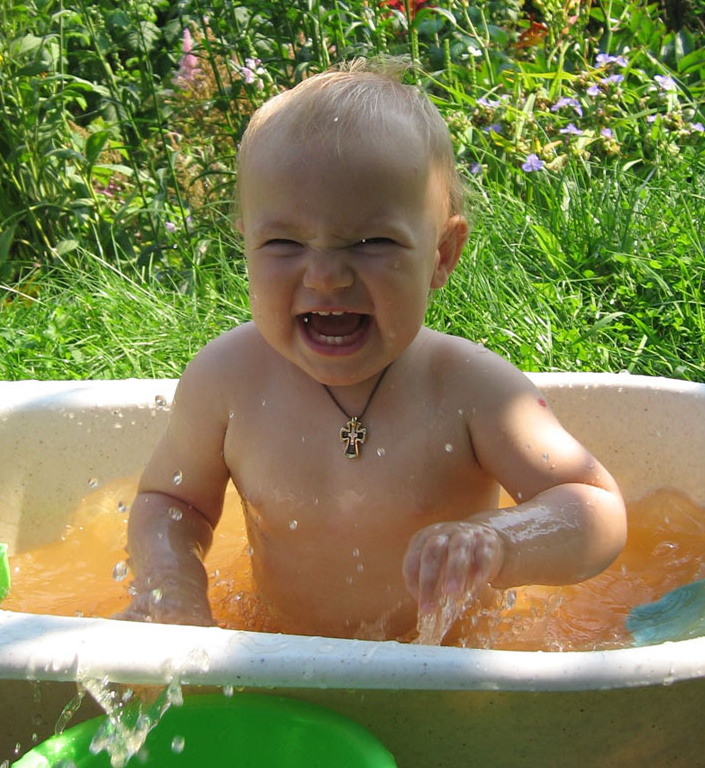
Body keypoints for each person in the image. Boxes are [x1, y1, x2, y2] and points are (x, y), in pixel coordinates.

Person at [122, 63, 627, 642]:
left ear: (441, 254)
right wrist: (172, 584)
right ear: (246, 243)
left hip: (445, 672)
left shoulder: (472, 390)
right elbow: (172, 501)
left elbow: (593, 506)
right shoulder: (227, 381)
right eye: (284, 242)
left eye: (372, 243)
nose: (327, 275)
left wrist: (504, 540)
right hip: (281, 662)